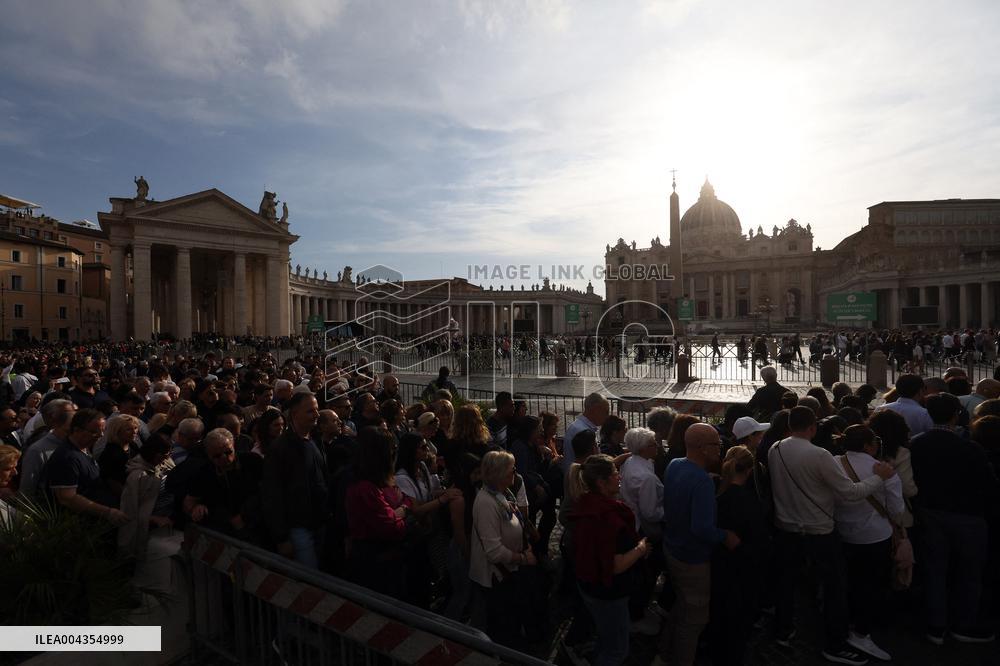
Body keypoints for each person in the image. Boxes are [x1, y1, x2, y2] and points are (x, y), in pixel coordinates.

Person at [768, 407, 896, 665]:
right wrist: (878, 478)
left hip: (786, 528)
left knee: (787, 584)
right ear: (813, 427)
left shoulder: (775, 448)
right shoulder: (819, 454)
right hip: (818, 530)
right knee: (835, 588)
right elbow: (850, 493)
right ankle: (835, 643)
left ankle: (784, 630)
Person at [909, 392, 1000, 644]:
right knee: (970, 573)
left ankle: (935, 625)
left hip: (929, 513)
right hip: (968, 517)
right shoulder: (971, 448)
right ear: (956, 415)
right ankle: (964, 623)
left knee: (934, 569)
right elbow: (989, 485)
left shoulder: (916, 443)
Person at [661, 423, 740, 666]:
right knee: (694, 620)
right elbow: (702, 529)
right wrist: (725, 536)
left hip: (672, 548)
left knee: (681, 605)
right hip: (692, 558)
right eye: (716, 444)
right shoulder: (702, 483)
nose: (720, 448)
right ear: (702, 448)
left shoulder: (675, 465)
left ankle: (664, 652)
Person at [834, 425, 904, 662]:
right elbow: (896, 509)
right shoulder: (884, 470)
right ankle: (861, 632)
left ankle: (846, 622)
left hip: (842, 532)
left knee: (849, 582)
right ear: (867, 445)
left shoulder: (833, 462)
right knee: (871, 586)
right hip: (874, 536)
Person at [571, 454, 649, 665]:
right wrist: (641, 548)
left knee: (605, 633)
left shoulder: (585, 504)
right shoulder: (610, 516)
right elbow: (617, 565)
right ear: (602, 482)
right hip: (608, 591)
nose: (620, 477)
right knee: (617, 650)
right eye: (616, 474)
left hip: (587, 583)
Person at [469, 450, 541, 650]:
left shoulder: (500, 494)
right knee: (503, 626)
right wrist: (522, 558)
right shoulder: (485, 503)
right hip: (496, 577)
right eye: (512, 469)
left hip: (508, 574)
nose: (515, 473)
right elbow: (493, 552)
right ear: (499, 474)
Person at [708, 446, 770, 666]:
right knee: (737, 623)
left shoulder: (716, 492)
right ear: (750, 470)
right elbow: (759, 543)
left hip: (718, 565)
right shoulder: (750, 502)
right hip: (743, 568)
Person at [261, 392, 328, 568]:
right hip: (298, 528)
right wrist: (282, 537)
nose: (316, 415)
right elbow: (272, 494)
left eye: (317, 410)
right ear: (295, 414)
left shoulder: (314, 441)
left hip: (319, 522)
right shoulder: (280, 449)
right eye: (310, 411)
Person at [345, 426, 410, 597]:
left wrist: (400, 511)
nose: (395, 453)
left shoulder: (376, 481)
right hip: (375, 560)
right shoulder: (365, 488)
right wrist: (402, 511)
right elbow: (391, 527)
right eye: (392, 449)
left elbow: (405, 501)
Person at [40, 409, 129, 526]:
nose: (101, 435)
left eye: (102, 431)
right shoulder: (67, 458)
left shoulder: (84, 449)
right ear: (77, 430)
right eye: (94, 432)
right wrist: (108, 512)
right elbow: (67, 498)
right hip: (81, 529)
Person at [618, 427, 664, 636]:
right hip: (641, 528)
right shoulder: (646, 477)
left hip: (632, 521)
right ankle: (636, 614)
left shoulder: (631, 462)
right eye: (654, 443)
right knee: (646, 572)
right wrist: (669, 511)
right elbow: (650, 512)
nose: (658, 446)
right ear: (644, 448)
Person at [184, 428, 263, 541]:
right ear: (208, 454)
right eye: (217, 456)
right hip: (224, 529)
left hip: (256, 522)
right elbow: (189, 501)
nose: (224, 458)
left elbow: (267, 491)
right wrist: (195, 508)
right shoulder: (204, 472)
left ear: (233, 445)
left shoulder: (252, 461)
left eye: (228, 452)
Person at [561, 393, 610, 475]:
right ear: (595, 410)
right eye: (606, 411)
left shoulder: (578, 426)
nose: (607, 415)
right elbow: (592, 464)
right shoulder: (582, 431)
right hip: (580, 481)